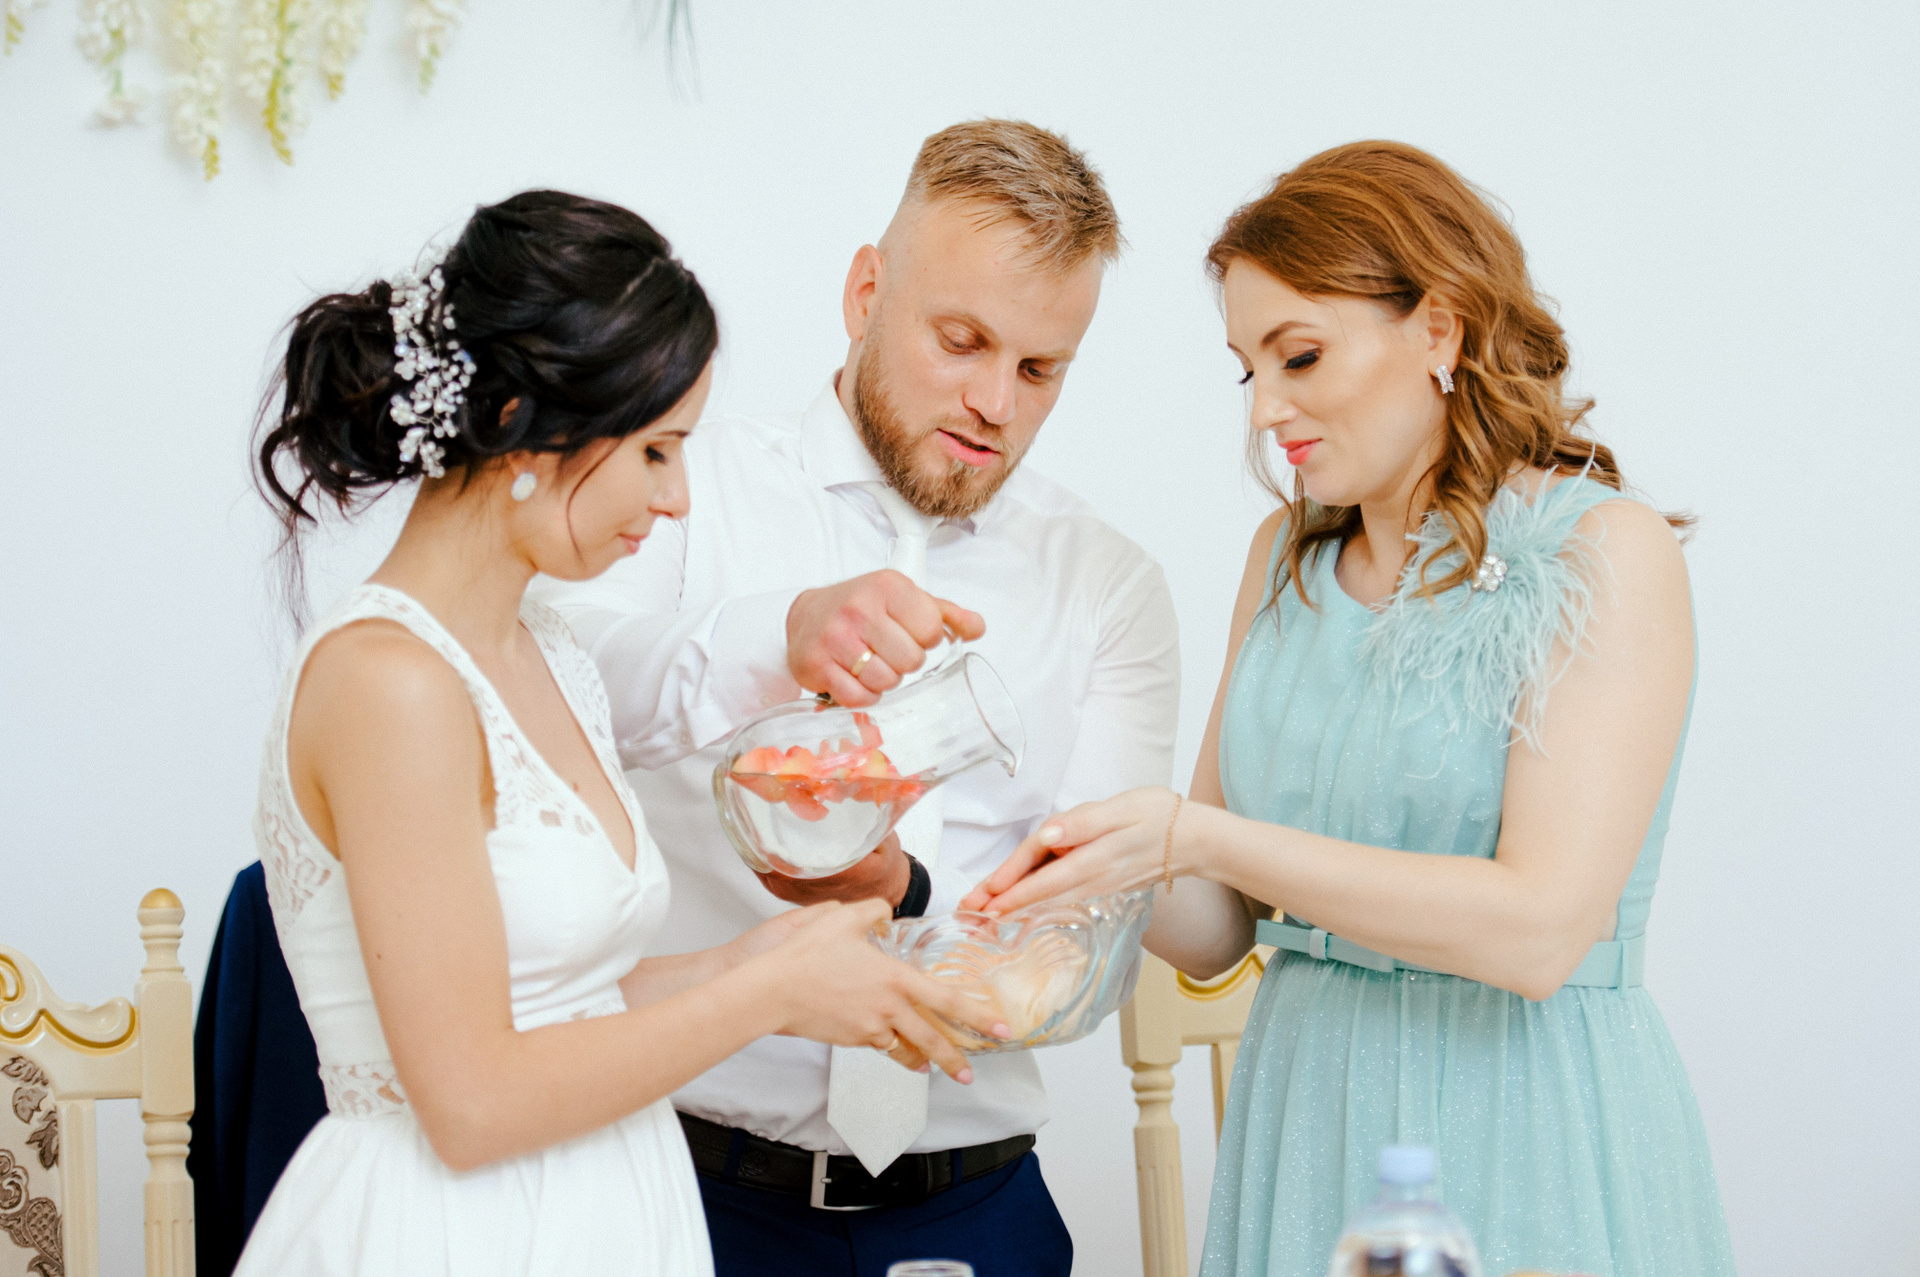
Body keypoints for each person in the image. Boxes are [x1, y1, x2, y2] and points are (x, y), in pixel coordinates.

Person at [968, 142, 1738, 1277]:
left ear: (1441, 330)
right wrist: (1076, 805)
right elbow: (1220, 927)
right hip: (1309, 1109)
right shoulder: (1283, 558)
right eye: (1248, 370)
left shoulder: (1605, 551)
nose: (1265, 409)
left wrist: (1197, 834)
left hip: (1523, 1114)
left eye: (1301, 355)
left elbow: (1538, 930)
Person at [238, 190, 1007, 1277]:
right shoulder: (389, 682)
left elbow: (566, 1001)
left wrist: (759, 957)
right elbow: (470, 1100)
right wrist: (766, 995)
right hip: (456, 1231)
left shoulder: (547, 650)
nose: (680, 496)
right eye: (656, 450)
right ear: (521, 424)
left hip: (602, 1204)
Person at [533, 121, 1180, 1276]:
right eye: (961, 340)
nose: (995, 402)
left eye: (1040, 370)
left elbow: (1093, 944)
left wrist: (909, 896)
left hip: (978, 1211)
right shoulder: (682, 480)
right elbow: (551, 683)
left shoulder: (1109, 584)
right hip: (690, 1195)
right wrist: (771, 635)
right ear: (865, 291)